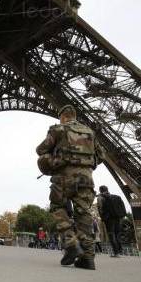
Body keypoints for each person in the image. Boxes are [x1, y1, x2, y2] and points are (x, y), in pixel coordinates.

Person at [36, 105, 101, 270]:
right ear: (74, 115)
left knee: (58, 207)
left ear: (63, 117)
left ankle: (70, 243)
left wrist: (52, 161)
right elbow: (100, 155)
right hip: (86, 178)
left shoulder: (58, 129)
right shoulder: (90, 132)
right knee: (84, 213)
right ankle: (88, 258)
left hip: (64, 176)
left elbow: (41, 149)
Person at [96, 185, 124, 257]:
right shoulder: (117, 197)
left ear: (100, 190)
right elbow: (122, 206)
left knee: (111, 234)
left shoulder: (100, 197)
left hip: (108, 218)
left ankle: (116, 253)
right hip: (118, 217)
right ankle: (120, 250)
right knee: (117, 234)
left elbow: (100, 208)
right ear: (107, 189)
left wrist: (103, 217)